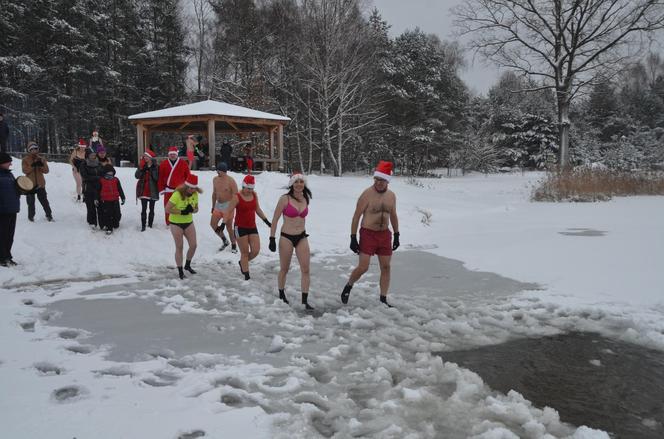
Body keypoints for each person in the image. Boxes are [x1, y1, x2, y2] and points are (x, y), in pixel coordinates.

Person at [341, 161, 400, 307]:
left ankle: (383, 298)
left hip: (385, 234)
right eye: (377, 179)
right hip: (368, 234)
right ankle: (349, 285)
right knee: (363, 267)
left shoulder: (391, 196)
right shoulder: (367, 195)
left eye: (383, 180)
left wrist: (397, 234)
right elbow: (356, 216)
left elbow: (393, 215)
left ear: (388, 181)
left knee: (386, 267)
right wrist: (353, 237)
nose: (379, 183)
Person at [269, 172, 314, 310]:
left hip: (301, 237)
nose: (299, 184)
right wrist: (272, 238)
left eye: (301, 182)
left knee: (306, 269)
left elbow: (303, 218)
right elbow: (275, 219)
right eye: (296, 182)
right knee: (284, 268)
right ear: (292, 184)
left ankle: (304, 301)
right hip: (286, 237)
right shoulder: (285, 199)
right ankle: (282, 293)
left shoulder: (306, 198)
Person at [226, 174, 271, 280]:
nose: (250, 190)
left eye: (252, 188)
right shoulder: (237, 197)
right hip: (240, 227)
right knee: (245, 252)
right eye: (248, 188)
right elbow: (228, 210)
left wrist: (266, 221)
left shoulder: (254, 195)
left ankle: (242, 262)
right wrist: (224, 223)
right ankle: (246, 274)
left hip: (252, 226)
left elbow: (258, 209)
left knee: (255, 251)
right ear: (243, 186)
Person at [166, 174, 201, 279]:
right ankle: (180, 270)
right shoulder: (177, 194)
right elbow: (167, 209)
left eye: (194, 188)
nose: (192, 190)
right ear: (186, 186)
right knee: (179, 247)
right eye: (190, 188)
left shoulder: (195, 194)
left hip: (188, 222)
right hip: (176, 223)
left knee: (194, 245)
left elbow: (196, 209)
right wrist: (182, 211)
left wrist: (192, 210)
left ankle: (187, 265)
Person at [158, 146, 190, 225]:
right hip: (168, 190)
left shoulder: (183, 163)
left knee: (180, 205)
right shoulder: (163, 164)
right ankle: (168, 222)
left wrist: (188, 188)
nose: (172, 155)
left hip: (180, 190)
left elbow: (188, 176)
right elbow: (160, 178)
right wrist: (161, 189)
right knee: (167, 206)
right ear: (168, 155)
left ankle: (179, 220)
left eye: (174, 154)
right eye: (171, 154)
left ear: (177, 155)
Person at [21, 142, 53, 222]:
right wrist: (33, 165)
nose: (34, 150)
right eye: (32, 149)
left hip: (40, 183)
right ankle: (31, 217)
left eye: (35, 149)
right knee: (31, 202)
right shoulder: (25, 159)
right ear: (29, 150)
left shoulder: (41, 158)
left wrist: (42, 164)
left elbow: (46, 171)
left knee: (44, 201)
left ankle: (49, 215)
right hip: (29, 184)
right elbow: (25, 171)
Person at [210, 161, 237, 252]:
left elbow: (236, 195)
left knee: (229, 227)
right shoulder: (215, 179)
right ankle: (224, 240)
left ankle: (234, 245)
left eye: (218, 171)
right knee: (213, 224)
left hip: (228, 205)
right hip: (218, 205)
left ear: (223, 171)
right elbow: (214, 193)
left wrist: (231, 207)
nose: (217, 172)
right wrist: (213, 206)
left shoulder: (231, 180)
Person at [0, 152, 20, 266]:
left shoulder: (9, 174)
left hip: (12, 209)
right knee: (2, 235)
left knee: (9, 235)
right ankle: (2, 257)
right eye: (8, 161)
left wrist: (28, 189)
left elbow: (16, 190)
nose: (10, 163)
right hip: (2, 210)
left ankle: (7, 256)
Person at [135, 149, 159, 231]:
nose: (145, 158)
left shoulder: (156, 166)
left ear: (151, 158)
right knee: (143, 209)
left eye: (147, 156)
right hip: (143, 189)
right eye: (144, 156)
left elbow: (156, 178)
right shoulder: (142, 165)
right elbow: (136, 176)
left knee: (152, 209)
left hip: (152, 190)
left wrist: (151, 170)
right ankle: (143, 226)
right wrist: (141, 169)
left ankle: (150, 225)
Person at [98, 164, 125, 234]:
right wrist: (96, 199)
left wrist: (123, 197)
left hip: (115, 200)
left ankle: (115, 222)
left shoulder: (116, 179)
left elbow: (120, 189)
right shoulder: (101, 180)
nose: (110, 175)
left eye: (111, 173)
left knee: (117, 214)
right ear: (105, 173)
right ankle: (109, 227)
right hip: (106, 200)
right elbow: (97, 190)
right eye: (108, 173)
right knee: (108, 214)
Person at [80, 150, 103, 228]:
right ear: (87, 155)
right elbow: (84, 176)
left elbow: (102, 172)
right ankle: (92, 222)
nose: (93, 156)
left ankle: (102, 222)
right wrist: (97, 178)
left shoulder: (98, 163)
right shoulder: (84, 164)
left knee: (100, 205)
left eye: (94, 155)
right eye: (91, 155)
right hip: (88, 186)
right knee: (90, 206)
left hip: (99, 186)